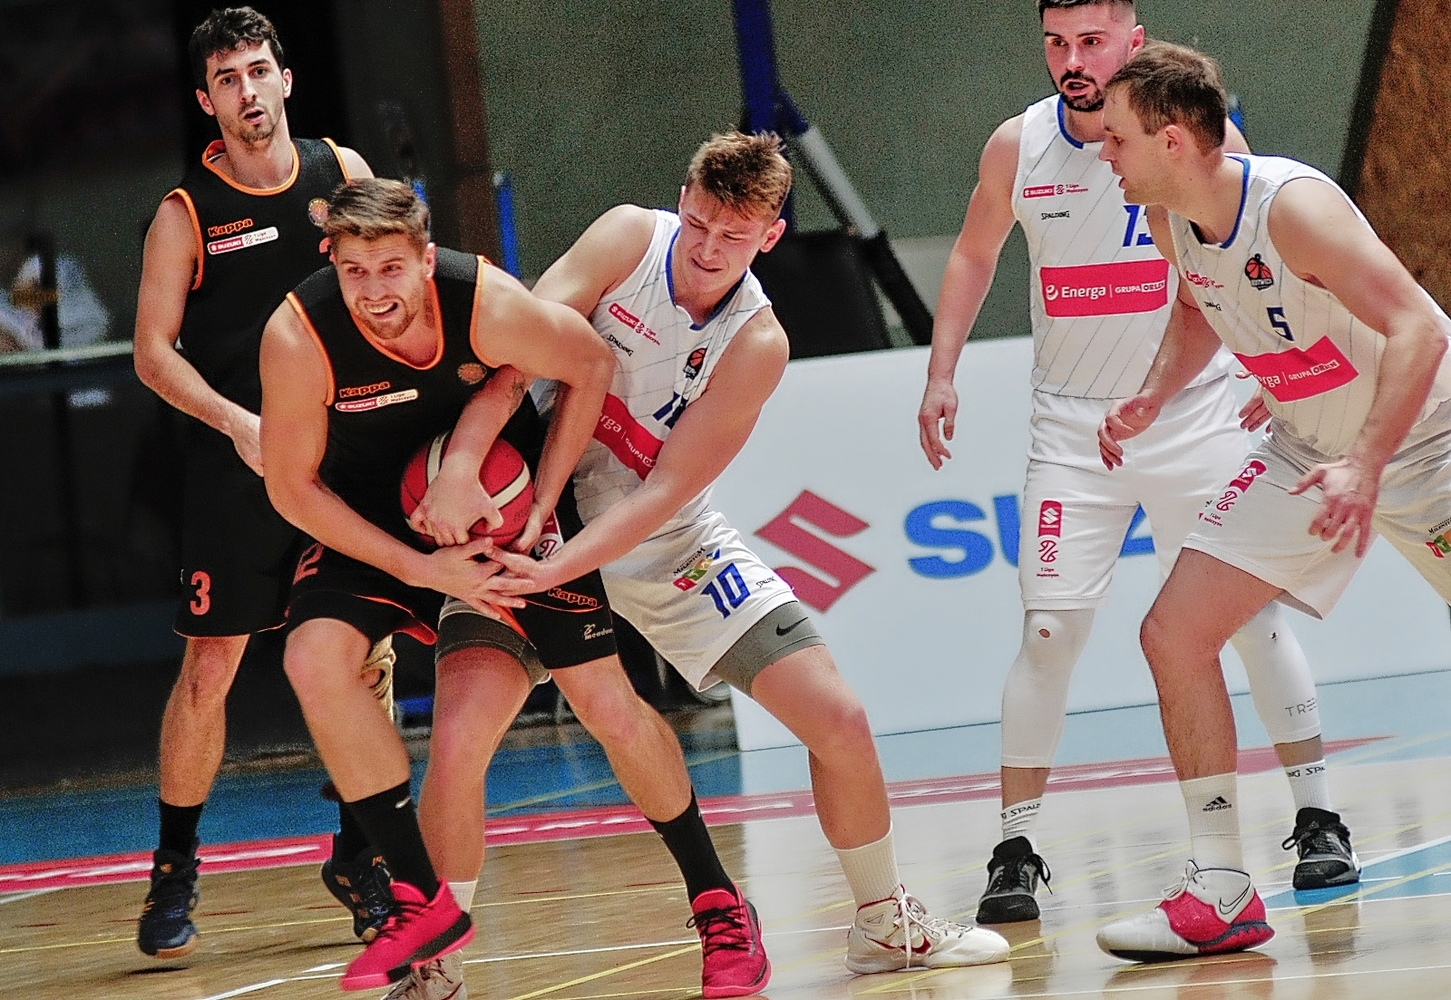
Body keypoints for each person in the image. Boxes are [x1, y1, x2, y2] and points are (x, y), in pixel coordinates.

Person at [478, 131, 1012, 979]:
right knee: (463, 735)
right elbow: (512, 354)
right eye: (697, 225)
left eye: (732, 237)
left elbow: (663, 491)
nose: (705, 249)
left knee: (837, 719)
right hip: (526, 511)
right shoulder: (626, 237)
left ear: (769, 236)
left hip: (660, 535)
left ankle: (882, 921)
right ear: (681, 202)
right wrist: (491, 497)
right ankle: (432, 952)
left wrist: (562, 566)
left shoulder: (757, 341)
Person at [260, 176, 762, 993]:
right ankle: (421, 906)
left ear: (426, 260)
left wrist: (539, 508)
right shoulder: (296, 334)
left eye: (391, 269)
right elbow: (291, 488)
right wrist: (423, 569)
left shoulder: (483, 300)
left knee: (606, 706)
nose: (374, 292)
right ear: (330, 259)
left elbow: (589, 361)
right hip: (378, 516)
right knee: (313, 660)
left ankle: (716, 899)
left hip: (503, 507)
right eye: (354, 272)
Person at [915, 0, 1356, 925]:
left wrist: (1264, 366)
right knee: (1047, 633)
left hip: (1193, 414)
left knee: (1248, 620)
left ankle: (1317, 815)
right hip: (1072, 426)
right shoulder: (1017, 146)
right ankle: (1015, 847)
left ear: (1132, 41)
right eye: (1055, 43)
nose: (1071, 59)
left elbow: (1246, 261)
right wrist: (940, 371)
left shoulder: (1190, 137)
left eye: (1090, 41)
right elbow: (971, 254)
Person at [1092, 40, 1451, 961]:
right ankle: (1219, 889)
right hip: (1305, 450)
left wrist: (1367, 464)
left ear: (1172, 140)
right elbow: (1194, 308)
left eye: (1116, 137)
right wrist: (1153, 394)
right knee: (1173, 633)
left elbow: (1419, 327)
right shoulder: (1173, 219)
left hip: (1427, 444)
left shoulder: (1292, 208)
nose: (1103, 151)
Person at [131, 7, 392, 960]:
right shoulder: (186, 213)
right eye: (226, 78)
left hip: (338, 460)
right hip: (236, 467)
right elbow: (152, 354)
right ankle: (174, 864)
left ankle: (360, 856)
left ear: (285, 78)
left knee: (363, 659)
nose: (246, 91)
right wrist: (239, 424)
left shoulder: (344, 173)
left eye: (256, 71)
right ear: (207, 100)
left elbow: (390, 289)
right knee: (211, 670)